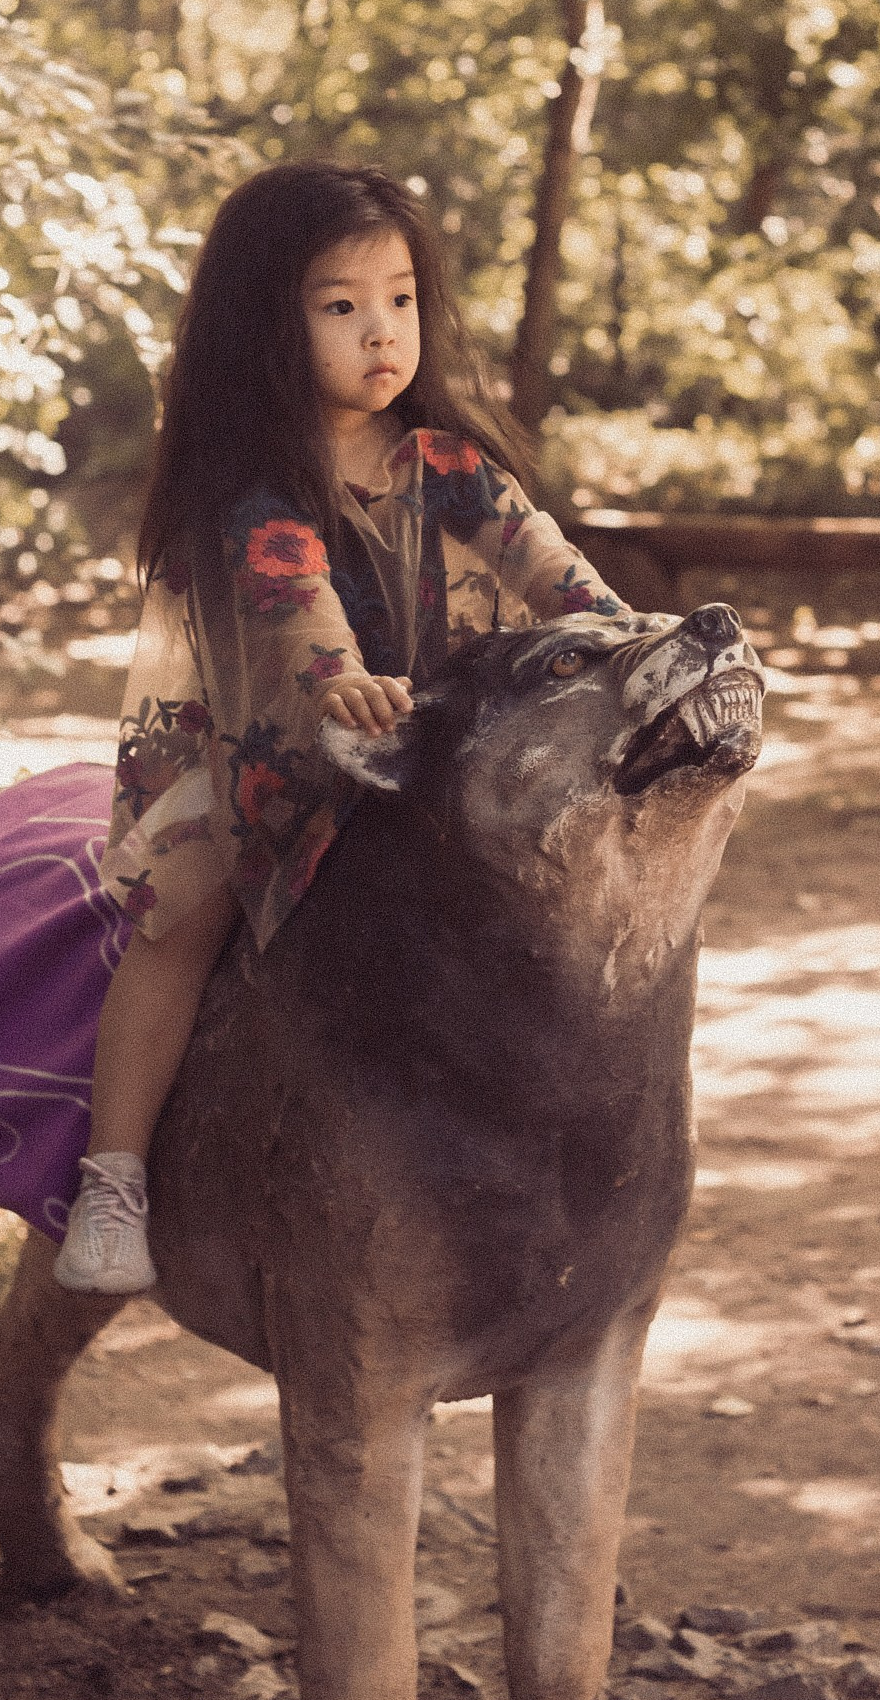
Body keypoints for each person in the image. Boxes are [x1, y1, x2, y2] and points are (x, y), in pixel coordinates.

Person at [53, 160, 631, 1294]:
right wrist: (336, 679)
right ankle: (112, 1176)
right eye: (340, 305)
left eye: (401, 299)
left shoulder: (448, 466)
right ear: (267, 324)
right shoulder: (256, 483)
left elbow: (545, 560)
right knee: (186, 919)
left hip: (425, 747)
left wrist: (623, 634)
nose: (381, 331)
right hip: (266, 757)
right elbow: (289, 595)